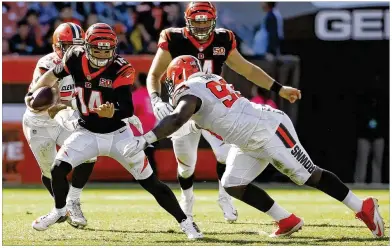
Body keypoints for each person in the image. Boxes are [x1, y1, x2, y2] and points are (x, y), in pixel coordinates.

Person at [125, 55, 385, 238]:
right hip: (247, 138)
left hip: (268, 129)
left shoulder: (189, 90)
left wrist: (146, 139)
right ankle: (286, 219)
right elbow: (195, 121)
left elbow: (179, 118)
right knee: (233, 183)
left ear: (177, 76)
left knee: (307, 175)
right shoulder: (208, 80)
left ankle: (363, 207)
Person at [26, 23, 202, 240]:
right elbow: (52, 76)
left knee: (151, 183)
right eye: (97, 49)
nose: (102, 54)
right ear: (87, 47)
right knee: (57, 169)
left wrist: (113, 112)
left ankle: (186, 222)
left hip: (118, 134)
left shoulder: (121, 67)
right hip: (86, 132)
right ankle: (60, 211)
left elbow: (127, 107)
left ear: (114, 48)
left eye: (106, 49)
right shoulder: (74, 56)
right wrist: (33, 93)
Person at [147, 2, 297, 222]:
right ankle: (187, 200)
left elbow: (247, 69)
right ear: (187, 21)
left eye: (205, 22)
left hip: (213, 109)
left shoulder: (223, 39)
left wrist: (279, 88)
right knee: (186, 166)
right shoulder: (173, 38)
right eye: (196, 22)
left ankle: (224, 197)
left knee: (225, 155)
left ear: (214, 21)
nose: (200, 27)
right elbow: (154, 74)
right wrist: (155, 101)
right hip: (183, 109)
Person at [23, 23, 95, 229]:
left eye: (78, 45)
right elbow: (48, 100)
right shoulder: (47, 63)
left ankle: (73, 201)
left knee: (90, 153)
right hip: (41, 119)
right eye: (68, 46)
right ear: (57, 46)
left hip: (66, 114)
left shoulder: (88, 62)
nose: (74, 50)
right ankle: (62, 209)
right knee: (50, 170)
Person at [132, 73, 158, 173]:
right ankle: (153, 175)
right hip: (154, 129)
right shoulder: (152, 94)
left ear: (138, 81)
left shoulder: (137, 94)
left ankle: (142, 176)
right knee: (150, 154)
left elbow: (131, 112)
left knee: (139, 156)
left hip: (140, 130)